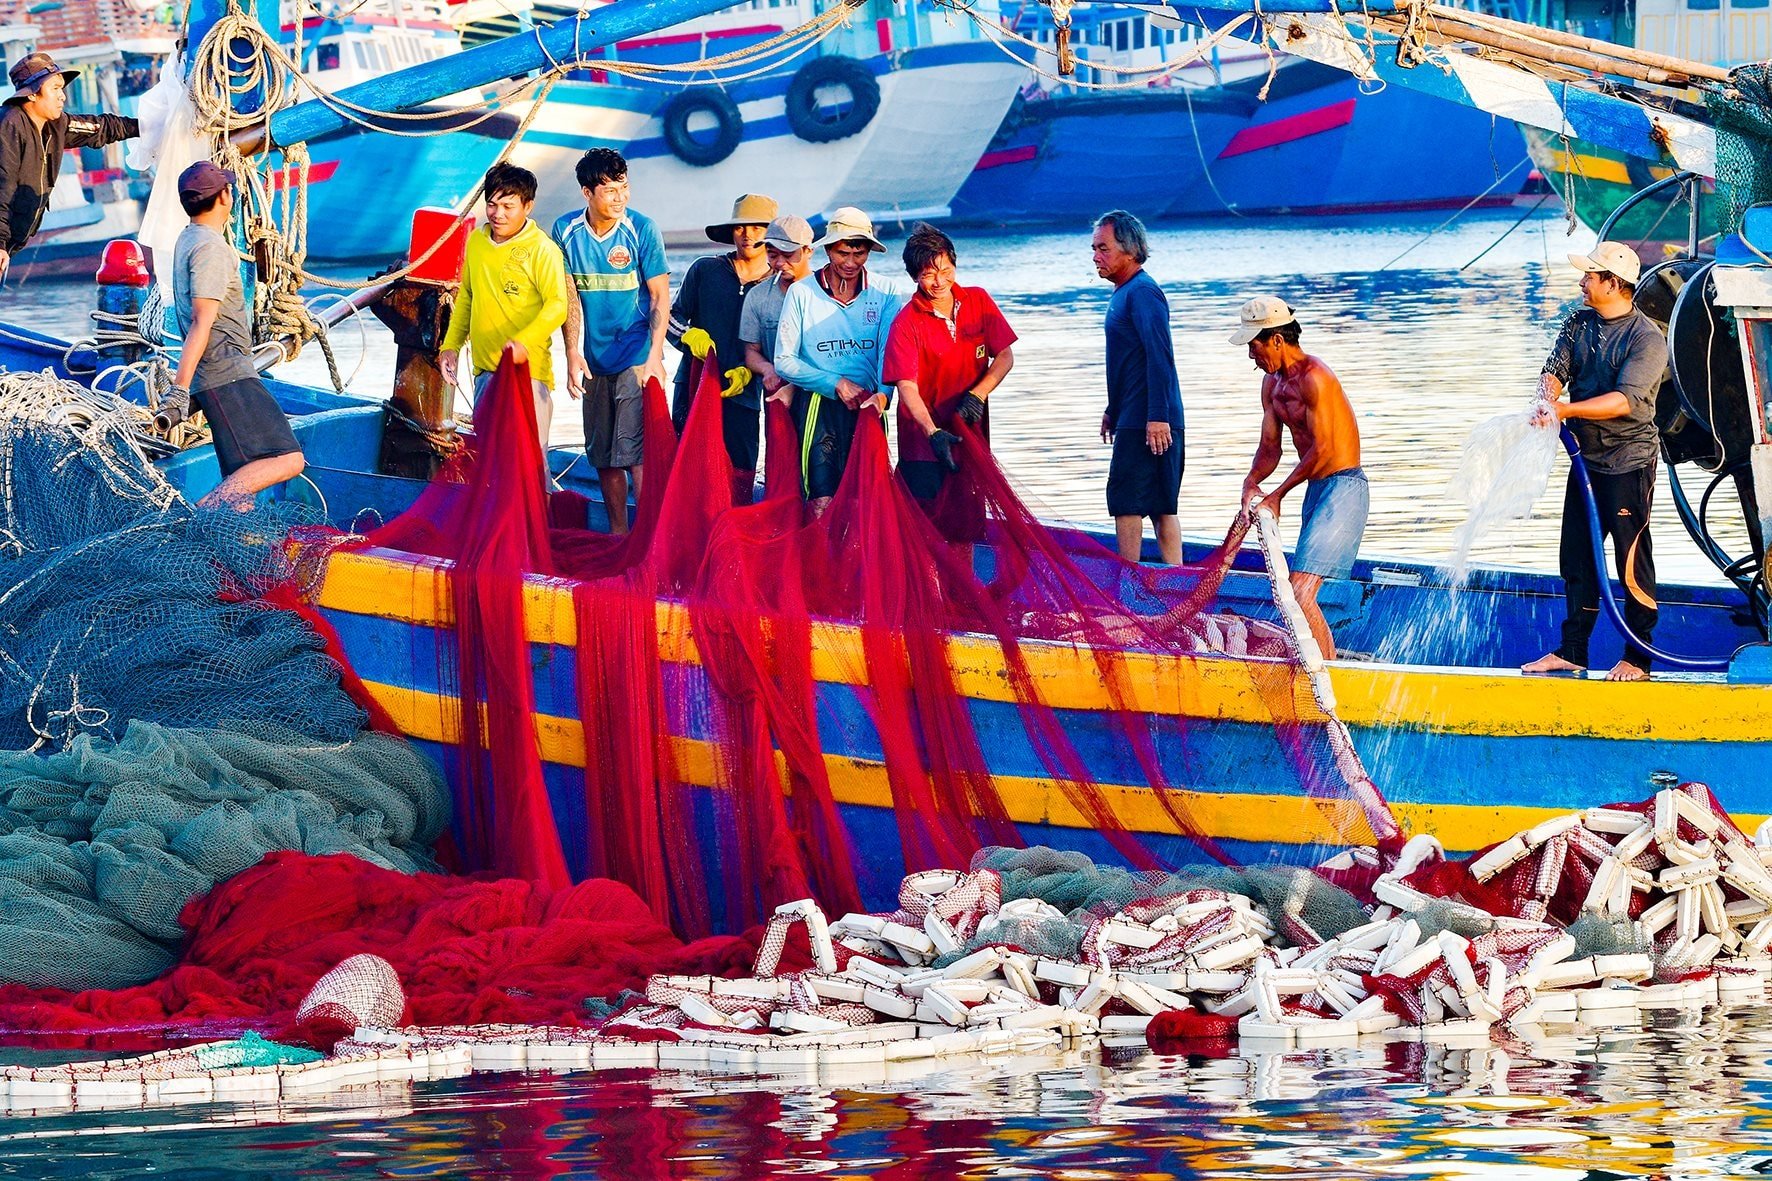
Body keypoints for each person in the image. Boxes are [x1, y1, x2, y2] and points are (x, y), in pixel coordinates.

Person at [1522, 241, 1668, 682]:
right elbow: (1554, 369)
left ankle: (1638, 657)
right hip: (1586, 461)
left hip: (1629, 462)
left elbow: (1625, 400)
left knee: (1630, 559)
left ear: (1614, 284)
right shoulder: (1577, 323)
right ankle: (1573, 651)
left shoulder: (1647, 338)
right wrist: (1547, 400)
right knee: (1578, 557)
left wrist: (1565, 411)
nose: (1582, 282)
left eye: (1589, 276)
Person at [1233, 296, 1366, 660]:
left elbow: (1323, 450)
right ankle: (1326, 663)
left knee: (1301, 590)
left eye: (1254, 345)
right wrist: (1251, 481)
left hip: (1344, 487)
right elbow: (1270, 449)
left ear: (1277, 339)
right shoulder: (1272, 387)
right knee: (1302, 591)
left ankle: (1329, 678)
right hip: (1316, 488)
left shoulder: (1316, 378)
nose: (1251, 356)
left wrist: (1277, 495)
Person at [168, 161, 304, 511]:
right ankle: (198, 516)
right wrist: (179, 392)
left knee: (243, 482)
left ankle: (229, 539)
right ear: (226, 196)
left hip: (221, 374)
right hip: (226, 375)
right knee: (287, 459)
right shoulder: (209, 248)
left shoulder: (189, 238)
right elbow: (202, 321)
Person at [881, 222, 1016, 554]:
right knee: (923, 538)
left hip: (970, 441)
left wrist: (977, 394)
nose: (939, 281)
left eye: (945, 269)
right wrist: (932, 432)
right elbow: (907, 388)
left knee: (964, 532)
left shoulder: (979, 301)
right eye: (928, 274)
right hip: (923, 447)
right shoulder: (907, 322)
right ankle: (929, 604)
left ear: (954, 264)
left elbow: (1005, 356)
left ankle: (963, 604)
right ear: (915, 277)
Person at [553, 148, 669, 535]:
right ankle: (619, 534)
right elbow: (568, 298)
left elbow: (659, 296)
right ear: (587, 193)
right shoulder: (565, 231)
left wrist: (655, 356)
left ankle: (650, 537)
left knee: (635, 453)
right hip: (594, 359)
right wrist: (571, 352)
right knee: (602, 455)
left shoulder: (642, 229)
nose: (620, 197)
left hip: (636, 354)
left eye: (624, 187)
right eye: (609, 190)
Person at [773, 206, 904, 516]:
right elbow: (784, 361)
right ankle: (821, 563)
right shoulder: (802, 293)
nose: (850, 262)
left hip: (868, 406)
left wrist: (884, 396)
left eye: (859, 254)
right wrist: (836, 384)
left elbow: (889, 354)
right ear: (828, 249)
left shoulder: (886, 293)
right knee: (821, 497)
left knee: (867, 500)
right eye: (843, 252)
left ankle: (860, 564)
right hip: (819, 407)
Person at [438, 162, 570, 451]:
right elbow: (467, 298)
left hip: (528, 374)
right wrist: (451, 346)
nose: (498, 214)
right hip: (485, 372)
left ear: (528, 206)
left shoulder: (543, 249)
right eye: (492, 204)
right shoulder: (476, 242)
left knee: (530, 467)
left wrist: (523, 342)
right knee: (490, 461)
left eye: (508, 206)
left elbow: (558, 305)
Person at [667, 193, 777, 491]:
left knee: (740, 475)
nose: (747, 235)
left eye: (757, 227)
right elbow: (669, 319)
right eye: (741, 227)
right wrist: (689, 337)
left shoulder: (779, 286)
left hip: (745, 395)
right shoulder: (705, 269)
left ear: (770, 234)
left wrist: (750, 371)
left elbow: (782, 347)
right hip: (693, 387)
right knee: (686, 471)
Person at [1092, 210, 1183, 564]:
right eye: (1094, 248)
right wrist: (1113, 409)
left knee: (1129, 502)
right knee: (1157, 504)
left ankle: (1130, 583)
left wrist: (1157, 417)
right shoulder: (1124, 293)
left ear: (1129, 250)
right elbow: (1128, 362)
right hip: (1134, 415)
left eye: (1104, 248)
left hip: (1149, 420)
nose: (1096, 256)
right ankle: (1172, 582)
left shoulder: (1143, 292)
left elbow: (1160, 357)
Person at [0, 52, 137, 276]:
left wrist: (144, 127)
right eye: (54, 88)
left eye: (62, 88)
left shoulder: (55, 125)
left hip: (11, 244)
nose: (62, 96)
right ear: (32, 95)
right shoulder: (10, 125)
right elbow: (2, 187)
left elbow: (99, 128)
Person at [741, 214, 816, 412]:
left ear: (809, 251)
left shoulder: (826, 293)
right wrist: (767, 369)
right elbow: (751, 351)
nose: (780, 263)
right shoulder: (757, 296)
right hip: (778, 399)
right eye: (773, 255)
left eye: (788, 255)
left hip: (822, 397)